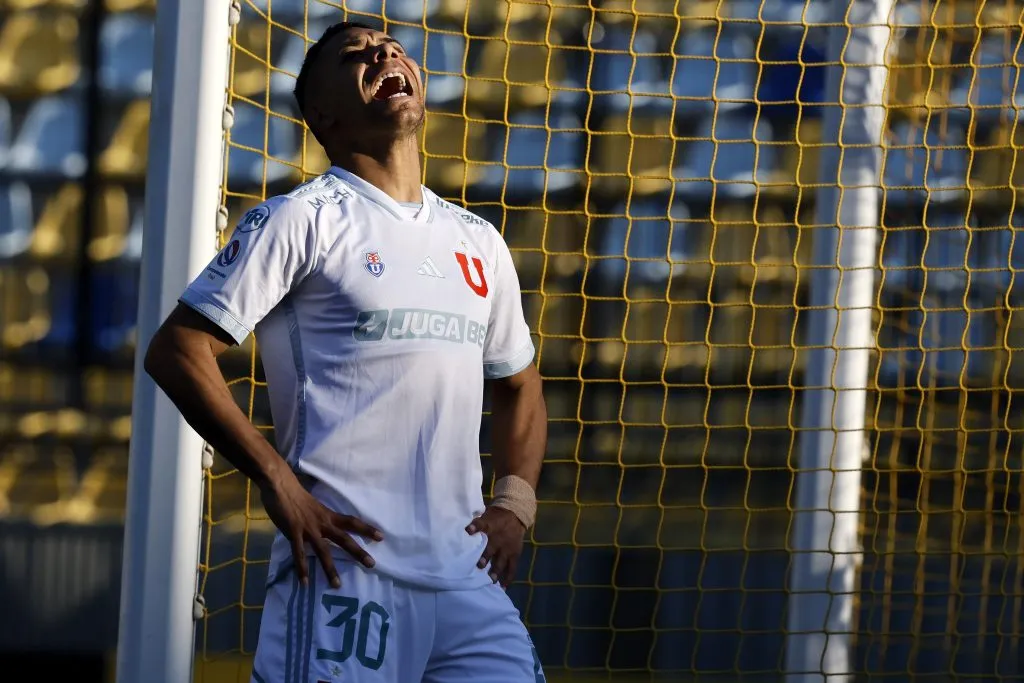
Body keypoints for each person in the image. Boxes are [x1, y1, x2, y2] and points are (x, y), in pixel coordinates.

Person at [144, 20, 548, 683]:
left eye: (390, 46)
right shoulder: (300, 219)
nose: (384, 52)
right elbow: (177, 349)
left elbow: (519, 383)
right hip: (345, 576)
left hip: (468, 578)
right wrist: (277, 480)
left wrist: (515, 504)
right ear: (323, 114)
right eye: (355, 55)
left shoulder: (480, 241)